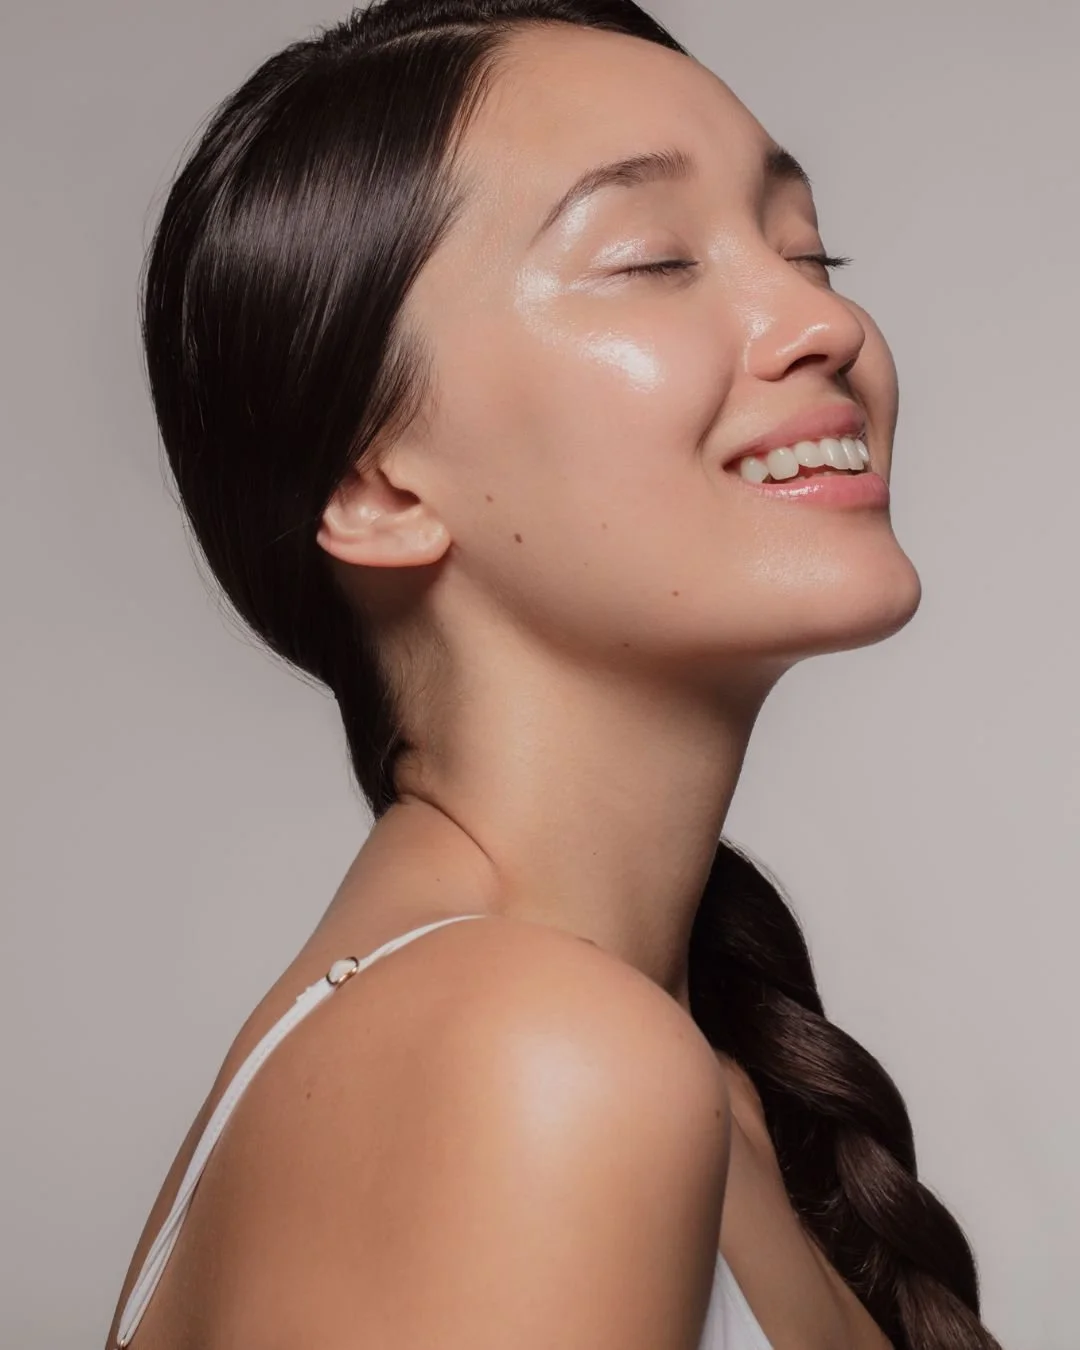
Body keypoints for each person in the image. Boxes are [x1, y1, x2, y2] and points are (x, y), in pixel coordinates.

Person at [106, 2, 1003, 1347]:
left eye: (809, 247)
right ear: (376, 482)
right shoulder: (525, 1061)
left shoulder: (656, 1071)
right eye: (651, 259)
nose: (817, 317)